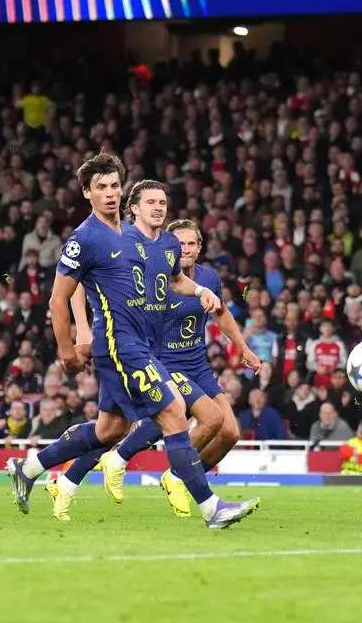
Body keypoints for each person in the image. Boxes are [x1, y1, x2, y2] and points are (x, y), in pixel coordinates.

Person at [4, 153, 259, 529]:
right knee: (173, 412)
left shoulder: (136, 237)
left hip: (141, 343)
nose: (109, 193)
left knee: (109, 430)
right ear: (87, 193)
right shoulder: (85, 238)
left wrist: (200, 291)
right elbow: (59, 298)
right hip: (121, 344)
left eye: (114, 186)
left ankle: (29, 468)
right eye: (101, 187)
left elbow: (173, 280)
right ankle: (211, 508)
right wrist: (68, 346)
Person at [78, 212, 260, 518]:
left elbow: (222, 313)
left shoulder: (208, 279)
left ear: (200, 248)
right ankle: (170, 475)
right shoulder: (155, 276)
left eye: (192, 244)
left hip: (198, 364)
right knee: (207, 419)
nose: (186, 249)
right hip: (166, 361)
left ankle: (173, 473)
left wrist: (243, 348)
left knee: (230, 433)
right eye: (181, 244)